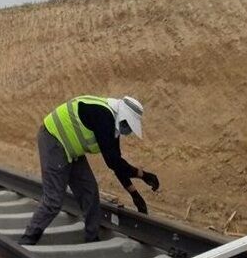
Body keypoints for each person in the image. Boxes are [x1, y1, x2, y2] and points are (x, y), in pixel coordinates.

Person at [19, 95, 160, 245]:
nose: (128, 130)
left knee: (90, 191)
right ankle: (28, 239)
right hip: (53, 139)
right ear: (123, 117)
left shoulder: (112, 124)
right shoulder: (104, 116)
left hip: (72, 149)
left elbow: (116, 163)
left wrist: (134, 194)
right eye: (128, 125)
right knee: (53, 200)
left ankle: (92, 239)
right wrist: (143, 175)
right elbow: (113, 162)